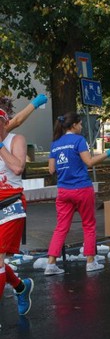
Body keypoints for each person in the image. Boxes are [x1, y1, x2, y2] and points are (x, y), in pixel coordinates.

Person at [45, 112, 110, 274]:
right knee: (88, 225)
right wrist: (109, 152)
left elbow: (51, 169)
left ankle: (51, 264)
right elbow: (89, 162)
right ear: (74, 125)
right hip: (82, 188)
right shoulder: (79, 140)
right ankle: (90, 262)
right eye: (80, 124)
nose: (81, 127)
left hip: (63, 191)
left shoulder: (55, 143)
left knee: (61, 228)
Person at [0, 104, 36, 316]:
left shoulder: (16, 140)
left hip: (11, 203)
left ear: (5, 123)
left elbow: (17, 168)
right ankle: (21, 287)